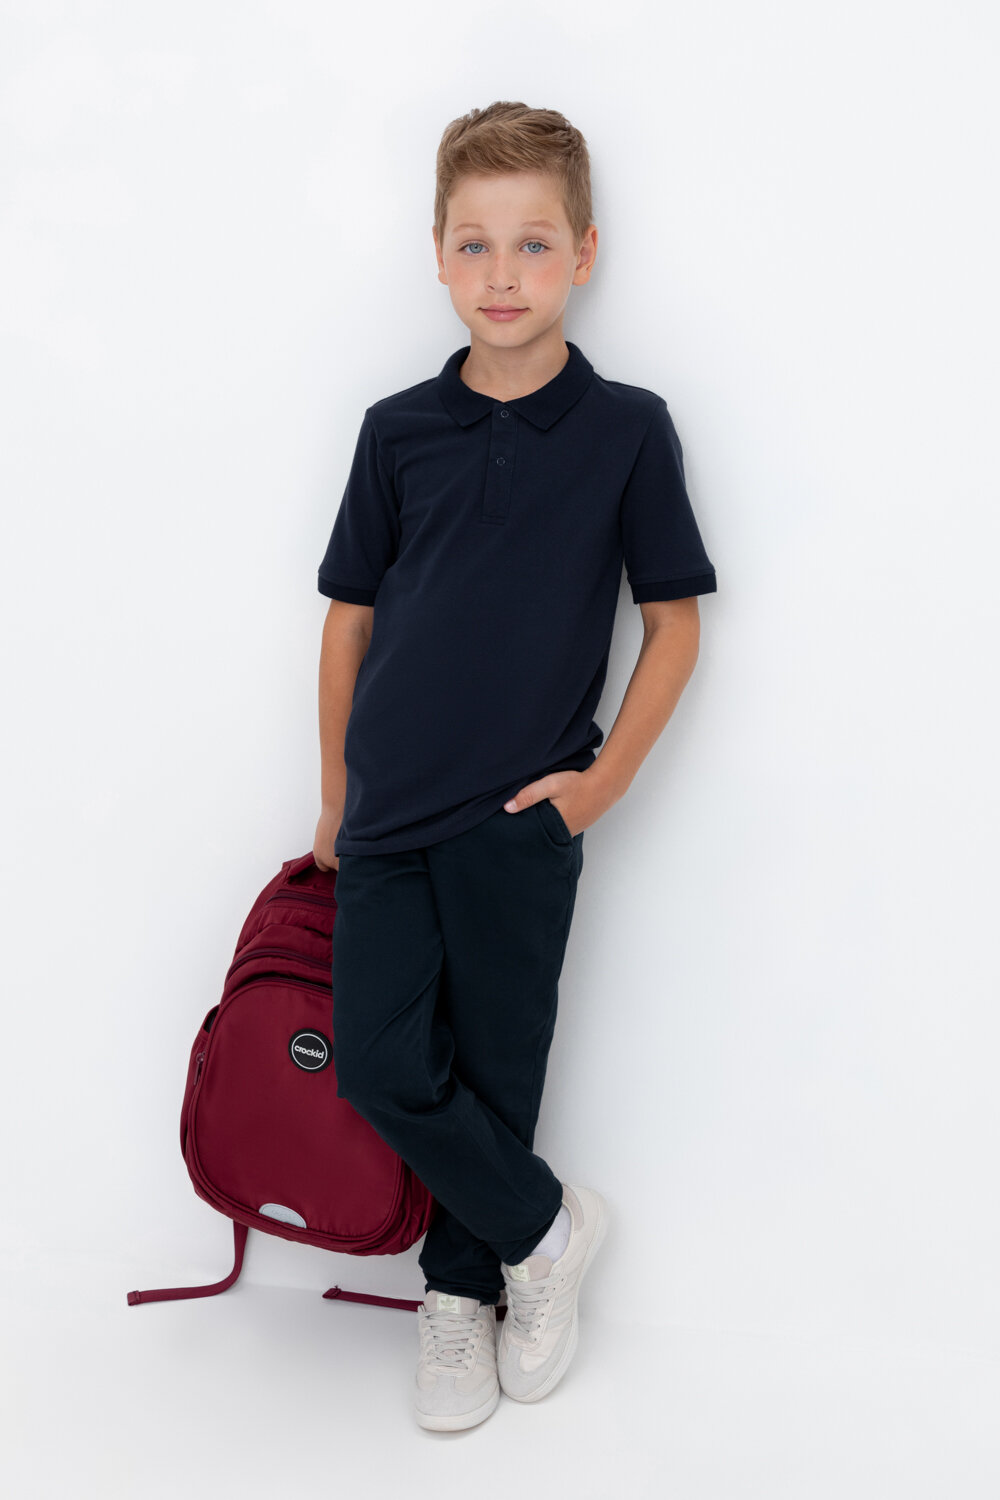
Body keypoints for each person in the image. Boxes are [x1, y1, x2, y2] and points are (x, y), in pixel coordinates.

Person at [312, 100, 717, 1432]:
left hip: (519, 815)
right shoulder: (395, 431)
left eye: (534, 244)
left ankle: (457, 1294)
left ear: (583, 254)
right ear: (437, 254)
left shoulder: (629, 431)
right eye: (476, 245)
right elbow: (350, 621)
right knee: (380, 1063)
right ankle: (546, 1227)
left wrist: (598, 791)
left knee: (496, 1068)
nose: (503, 274)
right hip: (386, 813)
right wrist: (337, 799)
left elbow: (674, 625)